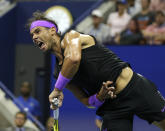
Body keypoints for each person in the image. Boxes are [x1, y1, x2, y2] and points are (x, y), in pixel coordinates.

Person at [27, 11, 165, 131]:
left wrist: (57, 89)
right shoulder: (58, 74)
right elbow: (86, 101)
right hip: (113, 106)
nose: (34, 37)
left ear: (52, 30)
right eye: (32, 35)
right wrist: (99, 97)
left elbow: (73, 59)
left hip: (136, 88)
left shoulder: (72, 37)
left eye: (37, 31)